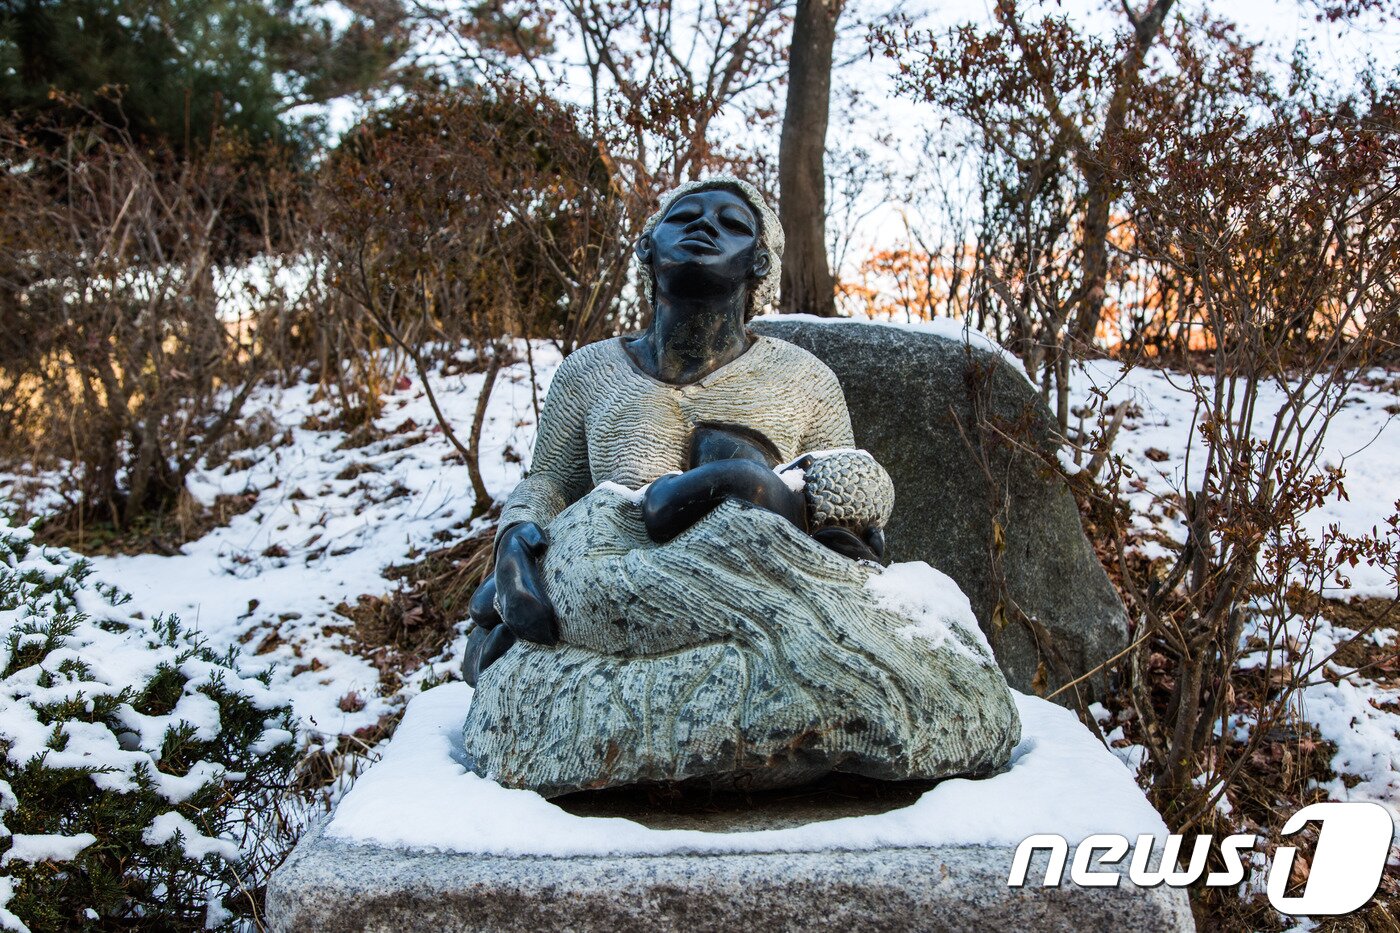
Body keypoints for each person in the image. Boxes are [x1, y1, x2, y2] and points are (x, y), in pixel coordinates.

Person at [463, 176, 882, 684]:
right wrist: (512, 545)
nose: (705, 225)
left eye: (732, 225)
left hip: (747, 593)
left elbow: (845, 515)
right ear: (647, 245)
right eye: (684, 217)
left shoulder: (803, 379)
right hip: (606, 568)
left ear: (760, 262)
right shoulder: (588, 372)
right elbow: (551, 482)